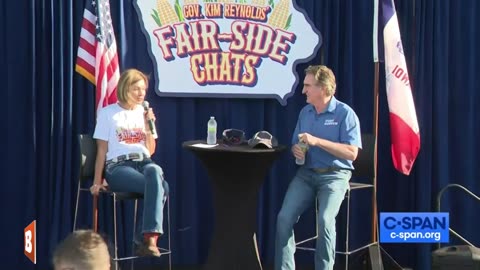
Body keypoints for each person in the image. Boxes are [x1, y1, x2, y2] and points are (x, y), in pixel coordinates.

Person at [275, 65, 362, 270]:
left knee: (324, 220)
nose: (303, 90)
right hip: (306, 174)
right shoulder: (305, 112)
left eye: (308, 86)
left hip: (335, 175)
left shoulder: (345, 114)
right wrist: (297, 150)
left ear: (323, 88)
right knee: (283, 218)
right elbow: (297, 144)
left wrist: (318, 141)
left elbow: (352, 153)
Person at [89, 68, 168, 257]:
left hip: (144, 163)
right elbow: (101, 150)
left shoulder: (144, 113)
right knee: (162, 187)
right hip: (119, 167)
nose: (141, 94)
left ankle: (148, 240)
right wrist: (97, 181)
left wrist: (149, 127)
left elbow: (150, 150)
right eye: (136, 89)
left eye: (143, 90)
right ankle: (146, 239)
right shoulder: (108, 113)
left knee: (155, 170)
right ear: (125, 89)